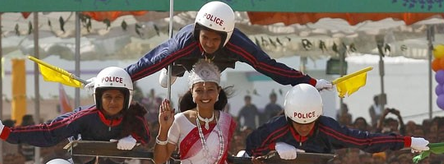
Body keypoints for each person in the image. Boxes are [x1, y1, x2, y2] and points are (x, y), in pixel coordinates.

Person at [0, 67, 150, 164]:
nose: (112, 102)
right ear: (99, 98)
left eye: (118, 97)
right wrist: (8, 133)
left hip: (113, 156)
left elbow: (146, 136)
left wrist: (134, 138)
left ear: (127, 98)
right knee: (79, 146)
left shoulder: (134, 115)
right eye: (107, 97)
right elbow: (49, 131)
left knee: (119, 149)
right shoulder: (83, 116)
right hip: (85, 151)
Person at [237, 84, 429, 164]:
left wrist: (407, 141)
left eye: (310, 122)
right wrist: (274, 146)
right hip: (265, 161)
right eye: (298, 123)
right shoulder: (275, 128)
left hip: (315, 155)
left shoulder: (328, 128)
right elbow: (252, 142)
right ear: (288, 117)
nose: (304, 127)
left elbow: (366, 141)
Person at [124, 1, 331, 90]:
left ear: (227, 37)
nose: (210, 44)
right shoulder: (185, 43)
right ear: (198, 32)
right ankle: (176, 69)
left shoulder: (238, 45)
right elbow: (149, 62)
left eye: (216, 39)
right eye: (205, 37)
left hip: (222, 60)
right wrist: (117, 78)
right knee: (165, 70)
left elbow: (268, 66)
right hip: (185, 57)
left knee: (214, 66)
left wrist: (309, 82)